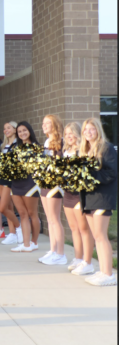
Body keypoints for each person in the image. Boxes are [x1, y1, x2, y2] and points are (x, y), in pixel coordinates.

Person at [79, 118, 117, 286]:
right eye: (85, 129)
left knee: (101, 236)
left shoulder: (106, 148)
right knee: (96, 236)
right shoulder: (86, 150)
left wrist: (89, 176)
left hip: (102, 197)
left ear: (98, 130)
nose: (88, 132)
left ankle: (108, 274)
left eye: (91, 129)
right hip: (89, 198)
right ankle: (102, 271)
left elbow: (111, 173)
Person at [61, 122, 95, 276]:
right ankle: (78, 258)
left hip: (79, 193)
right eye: (66, 133)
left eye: (71, 133)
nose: (69, 136)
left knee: (83, 229)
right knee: (73, 228)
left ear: (77, 134)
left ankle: (88, 262)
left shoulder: (83, 151)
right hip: (68, 193)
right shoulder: (66, 151)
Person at [39, 115, 67, 265]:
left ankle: (61, 254)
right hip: (44, 182)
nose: (44, 126)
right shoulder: (46, 141)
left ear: (55, 125)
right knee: (49, 219)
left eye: (47, 123)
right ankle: (53, 250)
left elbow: (60, 165)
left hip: (54, 184)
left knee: (55, 219)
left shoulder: (61, 141)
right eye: (43, 123)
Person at [10, 122, 41, 253]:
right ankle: (26, 244)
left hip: (30, 183)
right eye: (19, 132)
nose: (22, 133)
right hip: (16, 183)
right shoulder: (15, 148)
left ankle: (34, 242)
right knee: (22, 214)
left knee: (32, 213)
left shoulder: (36, 147)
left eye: (24, 130)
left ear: (29, 131)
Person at [0, 122, 23, 245]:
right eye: (4, 128)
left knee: (2, 208)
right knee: (8, 207)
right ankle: (12, 233)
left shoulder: (18, 144)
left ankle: (19, 228)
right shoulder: (3, 145)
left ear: (15, 129)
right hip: (1, 177)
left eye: (8, 128)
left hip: (10, 178)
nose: (6, 130)